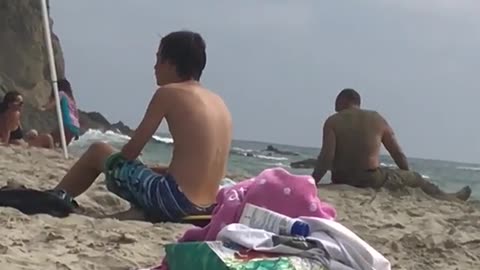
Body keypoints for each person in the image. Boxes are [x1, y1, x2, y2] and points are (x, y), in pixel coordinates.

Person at [54, 30, 233, 222]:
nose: (154, 66)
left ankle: (54, 197)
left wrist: (117, 167)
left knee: (98, 151)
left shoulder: (168, 93)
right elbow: (208, 168)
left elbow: (130, 152)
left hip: (174, 201)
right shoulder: (219, 103)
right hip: (205, 209)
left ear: (171, 62)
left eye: (158, 59)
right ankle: (141, 211)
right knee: (151, 173)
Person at [312, 88, 471, 201]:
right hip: (370, 178)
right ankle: (447, 197)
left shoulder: (332, 121)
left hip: (342, 177)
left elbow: (327, 156)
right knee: (414, 177)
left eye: (336, 101)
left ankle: (448, 197)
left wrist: (313, 182)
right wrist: (406, 176)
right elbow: (397, 153)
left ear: (344, 100)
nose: (334, 105)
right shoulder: (376, 119)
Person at [41, 79, 81, 146]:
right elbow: (77, 115)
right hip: (76, 127)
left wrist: (43, 108)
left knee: (51, 139)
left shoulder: (61, 94)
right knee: (62, 146)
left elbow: (53, 104)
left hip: (67, 124)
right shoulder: (72, 100)